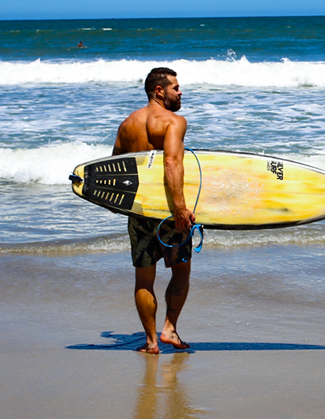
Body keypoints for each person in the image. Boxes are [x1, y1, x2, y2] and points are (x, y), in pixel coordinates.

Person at [112, 67, 196, 354]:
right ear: (159, 91)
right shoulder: (174, 121)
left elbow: (114, 170)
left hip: (139, 211)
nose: (180, 92)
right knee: (181, 271)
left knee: (143, 278)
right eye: (175, 87)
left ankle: (150, 342)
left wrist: (116, 205)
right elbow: (172, 163)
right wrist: (181, 209)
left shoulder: (127, 125)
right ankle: (169, 330)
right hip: (169, 211)